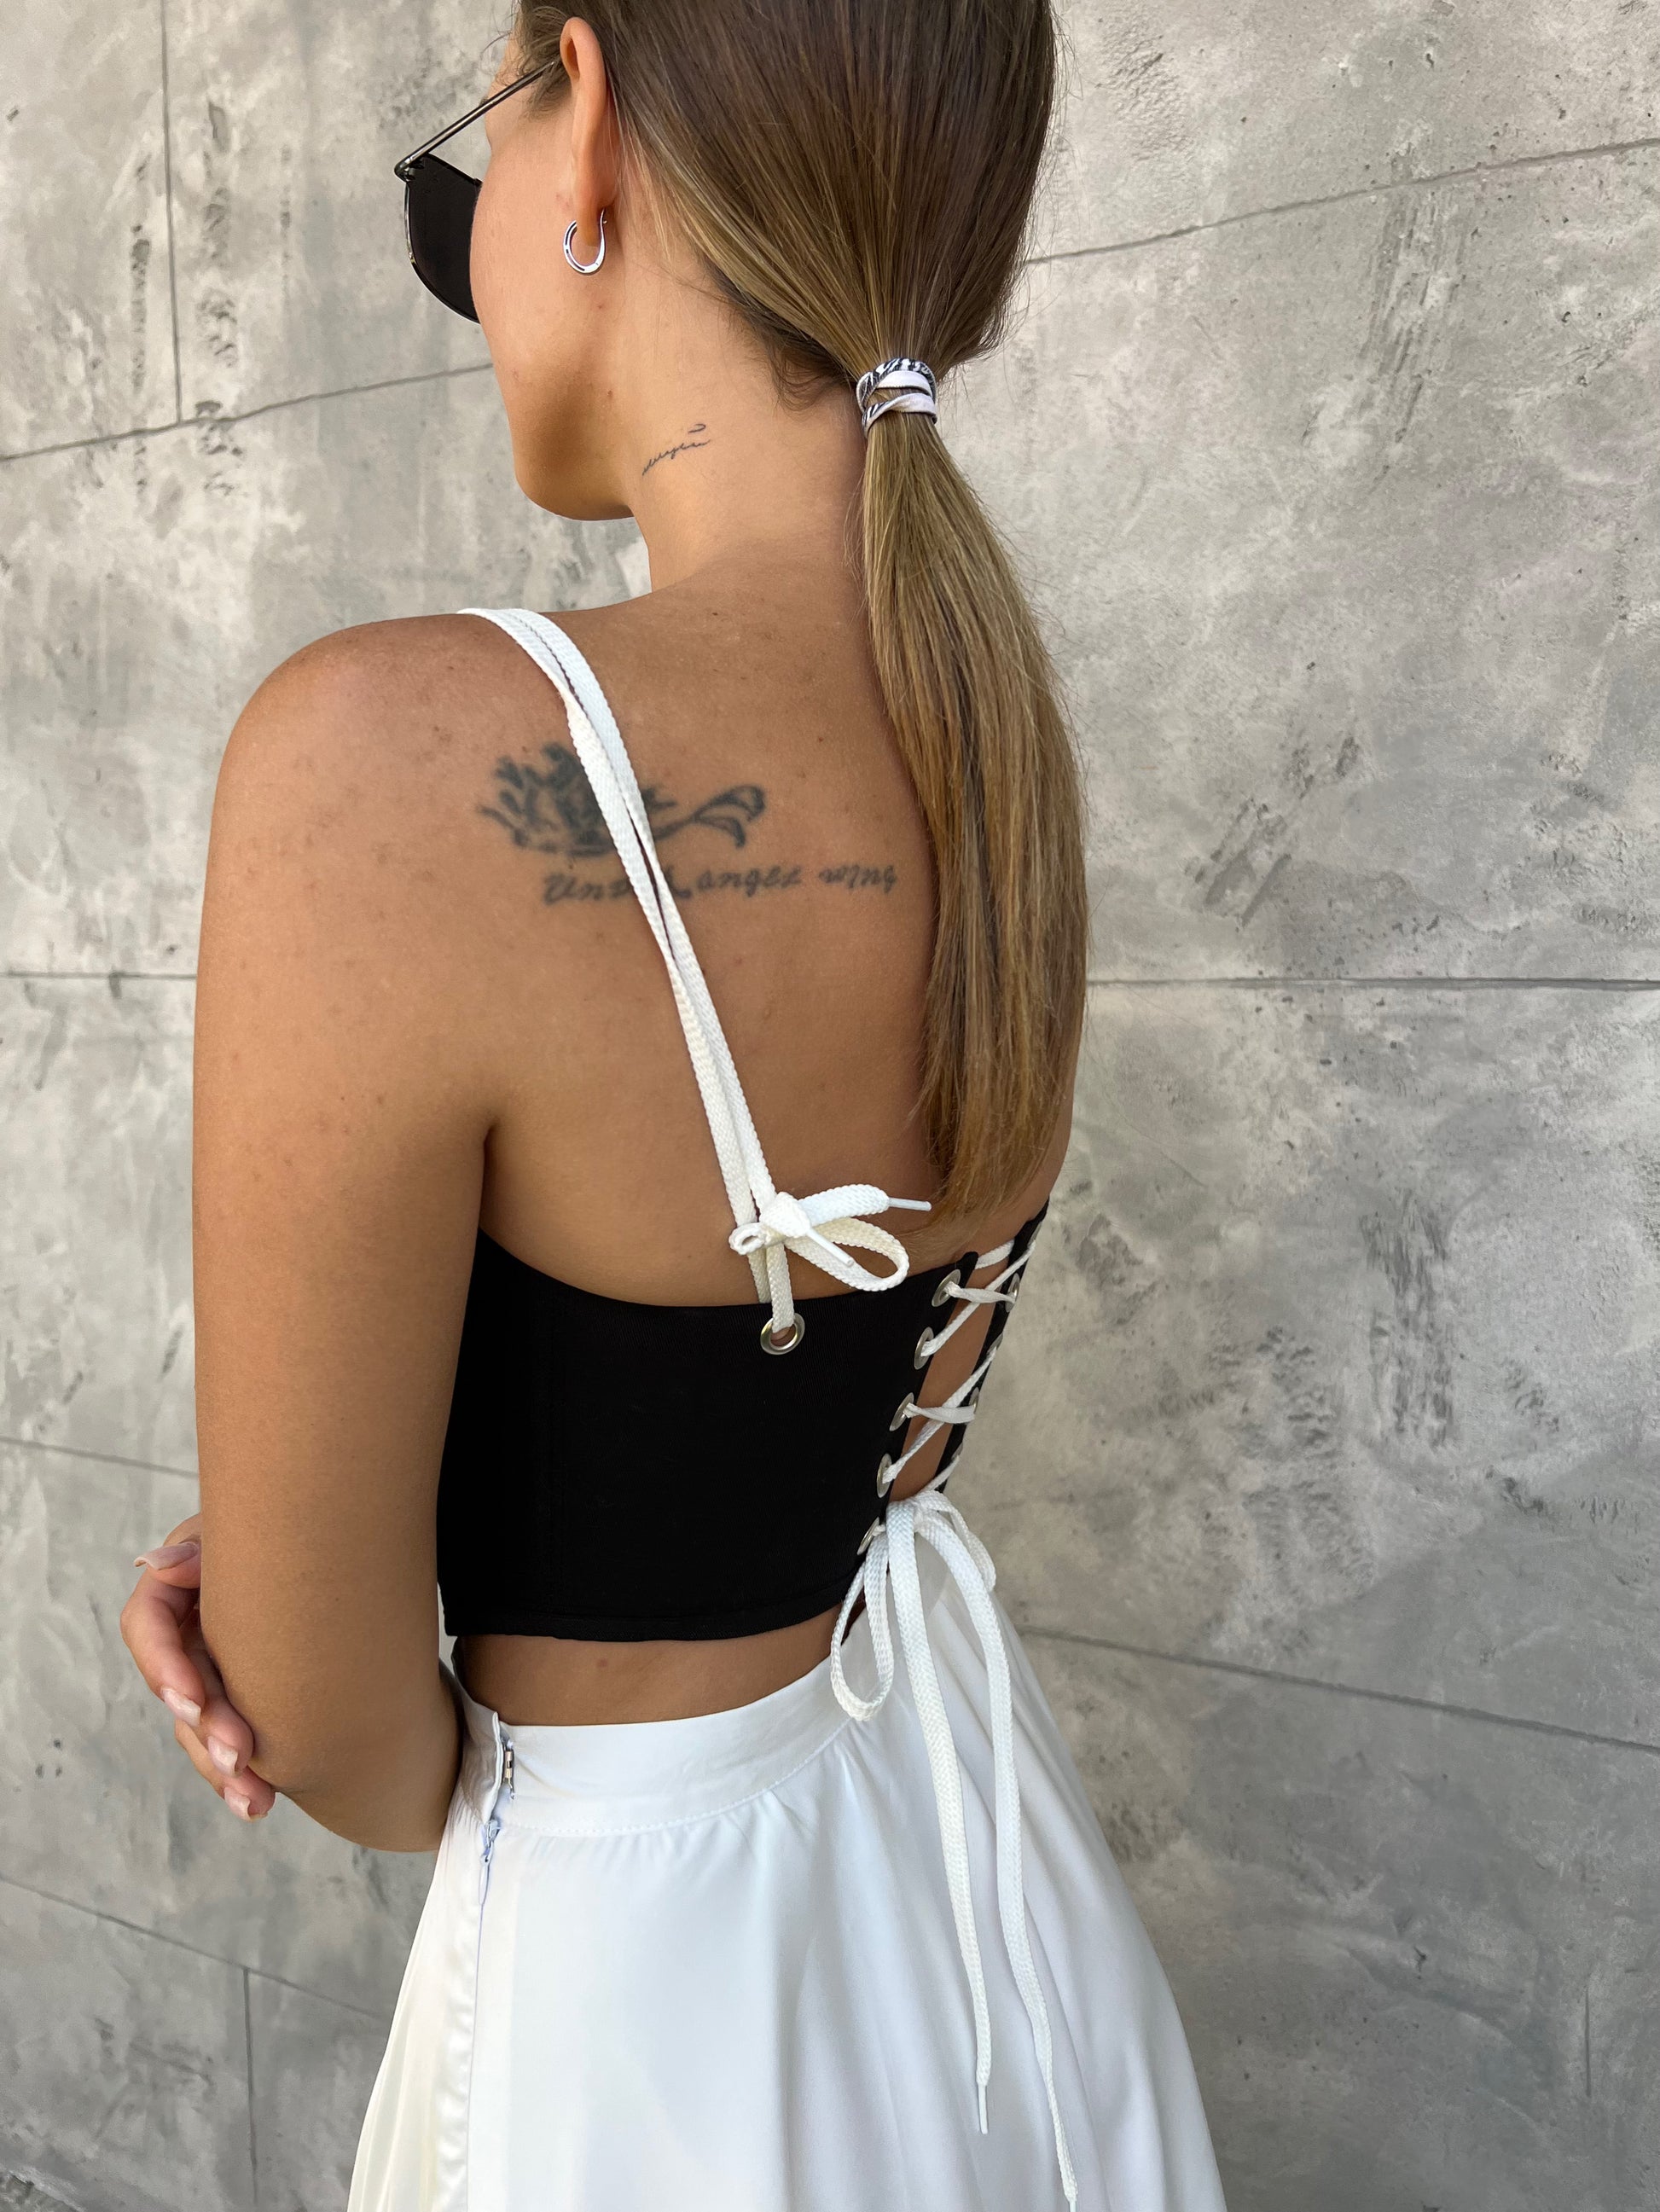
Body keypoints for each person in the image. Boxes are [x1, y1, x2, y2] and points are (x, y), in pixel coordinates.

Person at [120, 5, 1228, 2206]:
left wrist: (299, 1576)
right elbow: (799, 1452)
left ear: (594, 121)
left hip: (652, 2013)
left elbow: (338, 1741)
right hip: (972, 1908)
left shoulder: (390, 761)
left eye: (489, 126)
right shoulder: (986, 738)